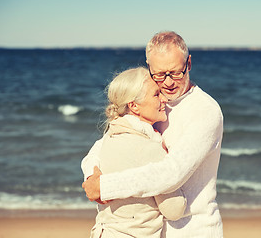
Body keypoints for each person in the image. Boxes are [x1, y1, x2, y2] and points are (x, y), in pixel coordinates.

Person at [82, 31, 224, 237]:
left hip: (193, 229)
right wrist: (91, 175)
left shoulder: (205, 110)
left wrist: (105, 186)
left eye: (176, 72)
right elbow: (105, 143)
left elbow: (171, 173)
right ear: (148, 66)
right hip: (154, 231)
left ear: (189, 64)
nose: (168, 82)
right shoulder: (152, 104)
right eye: (159, 74)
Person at [88, 67, 187, 238]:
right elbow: (174, 209)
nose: (164, 99)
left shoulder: (109, 138)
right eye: (156, 95)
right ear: (134, 106)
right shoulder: (149, 149)